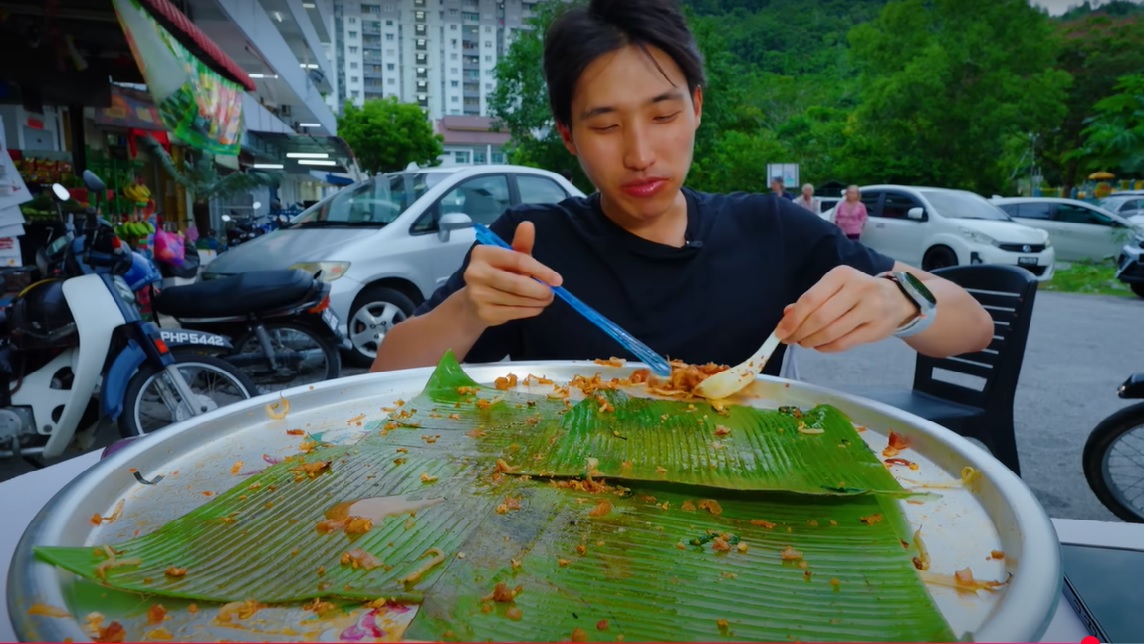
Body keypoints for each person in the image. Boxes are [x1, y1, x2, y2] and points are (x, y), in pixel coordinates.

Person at [371, 0, 993, 378]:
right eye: (606, 125)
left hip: (742, 534)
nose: (640, 155)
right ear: (567, 135)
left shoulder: (771, 230)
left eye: (664, 116)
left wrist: (904, 302)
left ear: (696, 107)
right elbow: (386, 375)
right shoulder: (532, 244)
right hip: (571, 525)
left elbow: (973, 327)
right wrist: (467, 310)